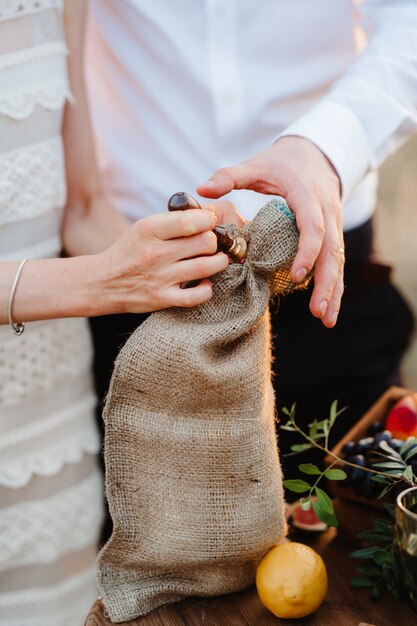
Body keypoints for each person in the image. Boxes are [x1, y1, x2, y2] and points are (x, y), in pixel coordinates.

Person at [85, 0, 417, 476]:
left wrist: (327, 146)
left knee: (363, 513)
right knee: (155, 523)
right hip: (140, 283)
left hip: (324, 276)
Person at [0, 1, 227, 624]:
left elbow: (82, 207)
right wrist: (102, 281)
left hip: (48, 428)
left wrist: (202, 259)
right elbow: (101, 274)